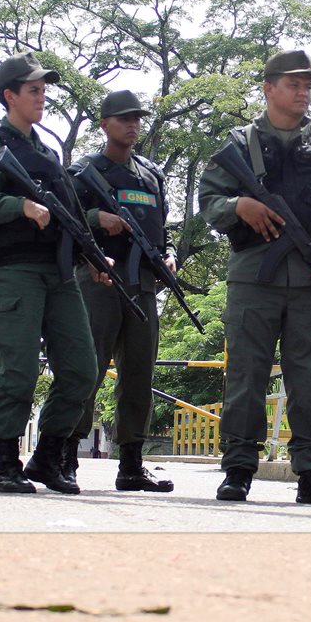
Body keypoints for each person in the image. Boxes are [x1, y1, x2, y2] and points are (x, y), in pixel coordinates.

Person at [198, 49, 311, 505]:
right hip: (254, 278)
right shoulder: (239, 145)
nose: (303, 92)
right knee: (246, 375)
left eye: (308, 85)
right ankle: (238, 469)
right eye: (294, 84)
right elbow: (208, 200)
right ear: (269, 88)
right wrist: (239, 207)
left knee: (308, 379)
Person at [0, 52, 100, 495]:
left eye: (44, 90)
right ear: (10, 96)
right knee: (19, 371)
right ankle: (7, 463)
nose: (42, 97)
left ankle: (46, 457)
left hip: (58, 273)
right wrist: (19, 206)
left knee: (82, 369)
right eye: (33, 90)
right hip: (14, 271)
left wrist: (96, 257)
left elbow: (72, 217)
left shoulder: (46, 152)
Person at [66, 90, 174, 493]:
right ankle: (66, 457)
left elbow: (163, 229)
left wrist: (170, 257)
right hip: (99, 280)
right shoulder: (84, 171)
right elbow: (66, 217)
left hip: (142, 285)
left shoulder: (151, 175)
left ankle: (131, 463)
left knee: (139, 374)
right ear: (104, 124)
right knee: (88, 370)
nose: (132, 125)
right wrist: (99, 217)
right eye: (123, 118)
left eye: (136, 119)